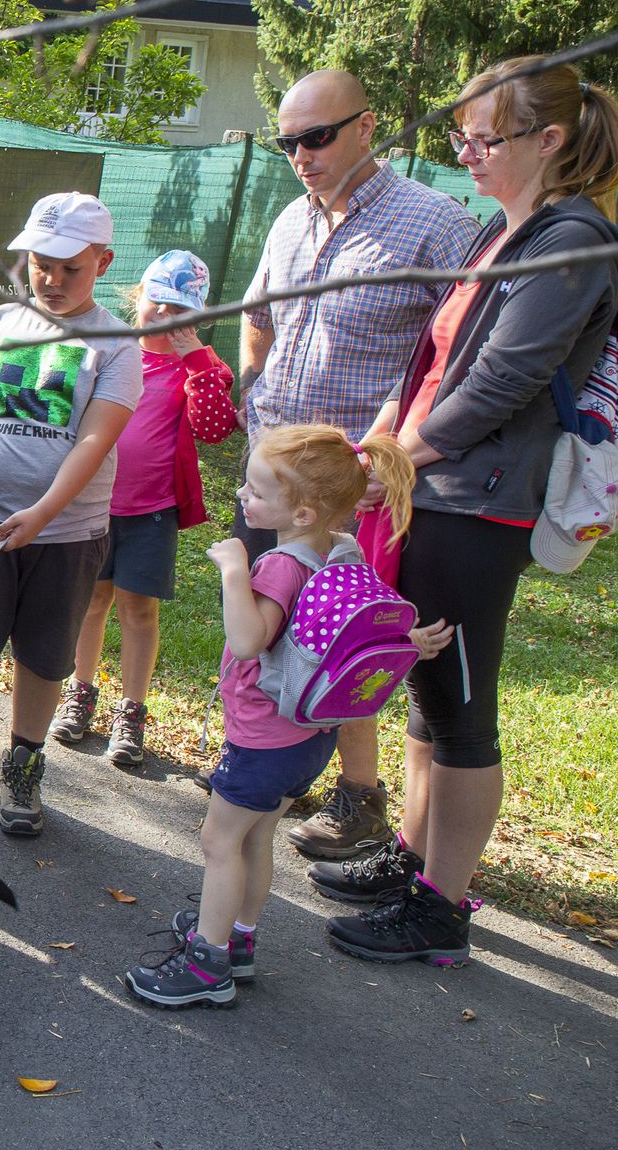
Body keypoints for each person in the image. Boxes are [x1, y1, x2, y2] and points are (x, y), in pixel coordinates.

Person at [321, 57, 618, 966]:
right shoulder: (506, 228)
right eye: (462, 137)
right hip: (433, 486)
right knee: (425, 686)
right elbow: (438, 355)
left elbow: (505, 378)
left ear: (549, 138)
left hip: (477, 500)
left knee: (459, 705)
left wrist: (403, 457)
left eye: (483, 137)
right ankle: (413, 860)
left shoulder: (573, 240)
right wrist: (388, 441)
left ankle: (442, 908)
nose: (468, 153)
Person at [238, 69, 478, 861]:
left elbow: (467, 349)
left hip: (354, 490)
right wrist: (253, 401)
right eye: (288, 143)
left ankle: (361, 793)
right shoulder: (288, 221)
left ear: (368, 127)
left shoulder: (435, 224)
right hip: (279, 484)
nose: (301, 155)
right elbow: (257, 316)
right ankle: (276, 758)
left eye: (318, 136)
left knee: (343, 634)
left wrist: (394, 451)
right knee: (275, 631)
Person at [122, 428, 448, 1008]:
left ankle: (207, 965)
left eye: (255, 489)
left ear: (300, 510)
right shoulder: (342, 550)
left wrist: (232, 569)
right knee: (257, 837)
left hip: (263, 739)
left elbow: (248, 641)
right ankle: (238, 941)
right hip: (309, 737)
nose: (243, 496)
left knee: (219, 841)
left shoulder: (278, 566)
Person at [0, 191, 140, 838]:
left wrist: (43, 514)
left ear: (103, 261)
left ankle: (23, 763)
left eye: (71, 268)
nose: (52, 279)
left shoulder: (118, 344)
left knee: (45, 658)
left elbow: (95, 441)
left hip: (66, 535)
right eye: (42, 263)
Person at [51, 250, 238, 769]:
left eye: (181, 311)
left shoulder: (200, 367)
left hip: (152, 511)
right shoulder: (112, 349)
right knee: (92, 602)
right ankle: (79, 693)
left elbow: (214, 428)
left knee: (139, 609)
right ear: (140, 299)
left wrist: (199, 359)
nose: (165, 319)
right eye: (158, 304)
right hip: (94, 501)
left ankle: (131, 711)